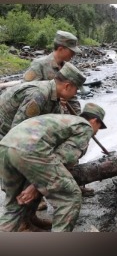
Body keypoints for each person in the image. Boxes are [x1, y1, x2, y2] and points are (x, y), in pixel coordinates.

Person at [0, 103, 107, 232]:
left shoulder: (64, 120)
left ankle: (17, 227)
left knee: (15, 203)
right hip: (29, 151)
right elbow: (66, 157)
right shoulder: (85, 127)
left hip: (5, 147)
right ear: (95, 120)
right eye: (99, 127)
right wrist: (36, 185)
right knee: (70, 196)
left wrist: (36, 184)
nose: (96, 132)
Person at [0, 62, 86, 140]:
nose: (75, 94)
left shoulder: (55, 96)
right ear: (67, 87)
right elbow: (17, 133)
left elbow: (57, 126)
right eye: (76, 89)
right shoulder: (39, 95)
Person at [23, 29, 82, 113]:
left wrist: (81, 120)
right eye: (71, 51)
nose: (74, 54)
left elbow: (72, 98)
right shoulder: (39, 65)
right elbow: (25, 91)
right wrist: (56, 99)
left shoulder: (68, 68)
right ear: (61, 49)